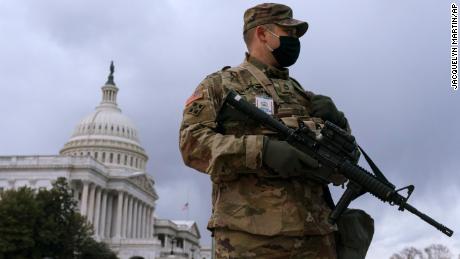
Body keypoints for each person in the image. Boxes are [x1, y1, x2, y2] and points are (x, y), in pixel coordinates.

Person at [179, 3, 353, 258]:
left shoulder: (303, 95)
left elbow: (344, 158)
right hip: (251, 240)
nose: (294, 41)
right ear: (262, 34)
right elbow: (191, 144)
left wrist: (339, 123)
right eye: (289, 33)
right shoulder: (220, 85)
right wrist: (263, 150)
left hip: (317, 237)